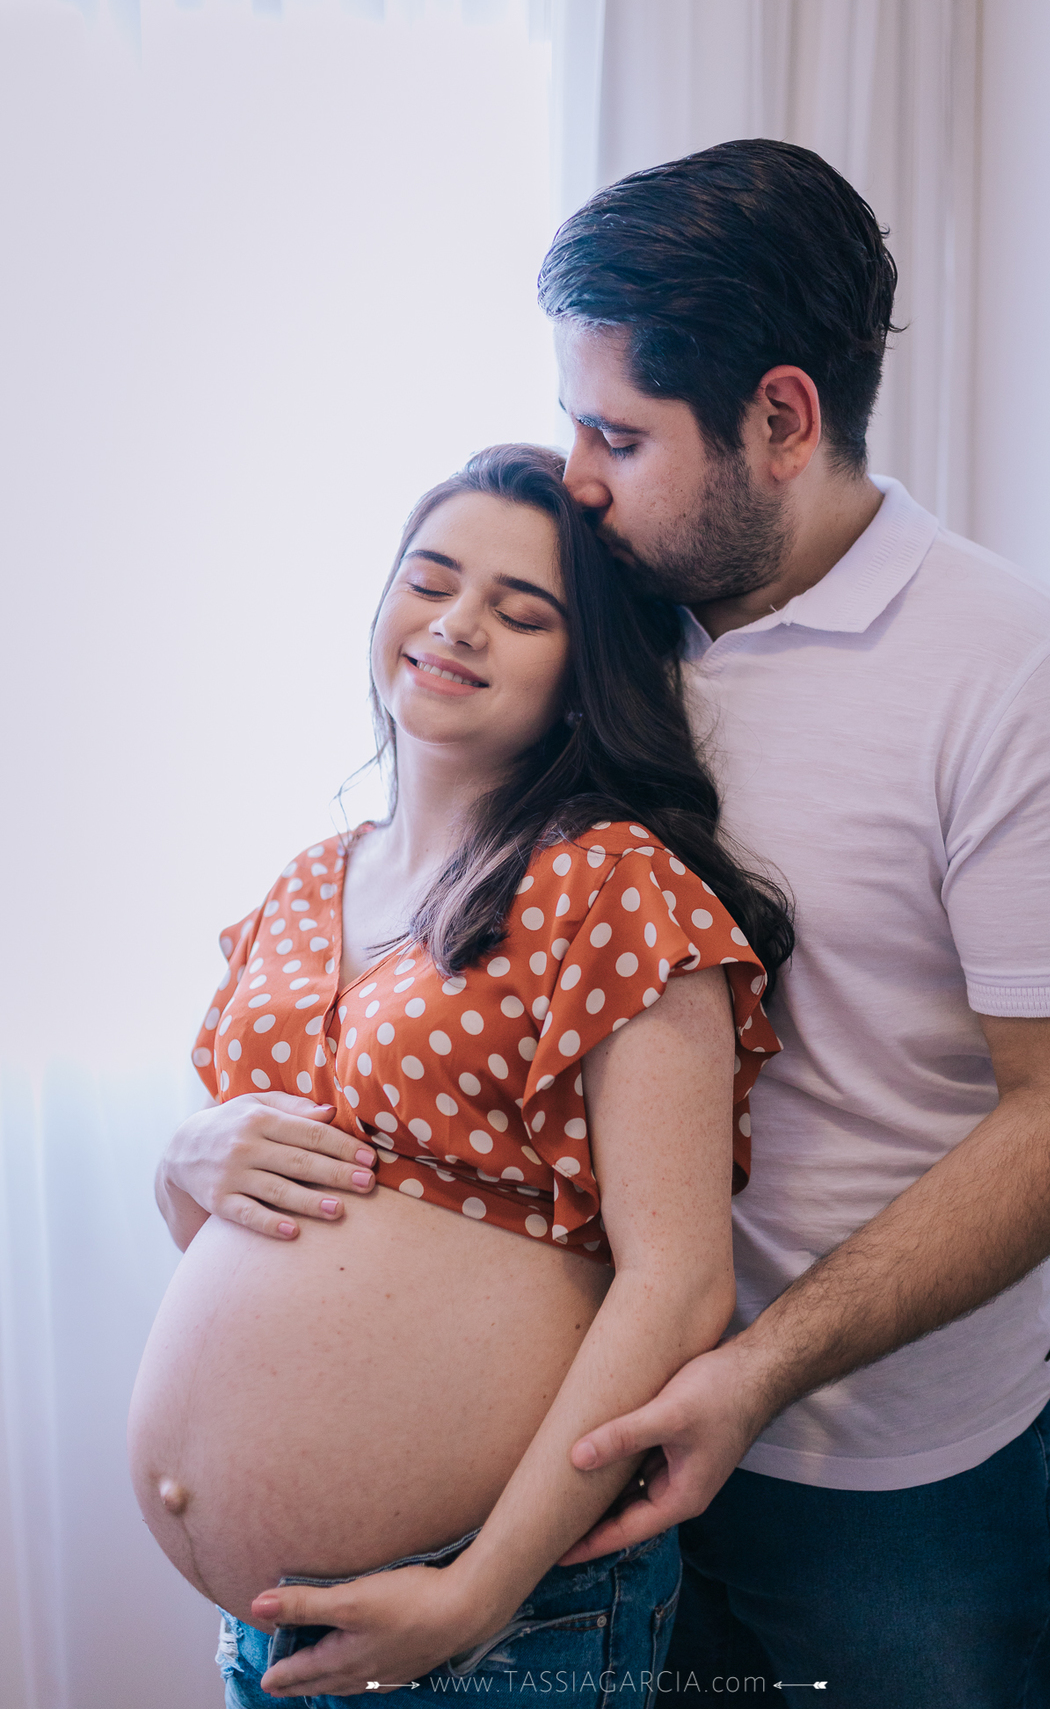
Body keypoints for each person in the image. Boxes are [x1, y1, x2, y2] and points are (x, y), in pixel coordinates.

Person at [537, 139, 1050, 1707]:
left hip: (898, 1500)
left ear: (781, 420)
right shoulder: (594, 622)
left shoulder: (1023, 685)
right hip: (596, 1438)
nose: (576, 476)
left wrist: (760, 1369)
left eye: (619, 432)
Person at [129, 444, 794, 1707]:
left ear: (584, 675)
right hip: (265, 1635)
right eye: (430, 582)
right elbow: (240, 1227)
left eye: (521, 611)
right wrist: (181, 1160)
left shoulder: (612, 884)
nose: (456, 624)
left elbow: (679, 1286)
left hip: (502, 1619)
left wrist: (479, 1590)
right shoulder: (303, 886)